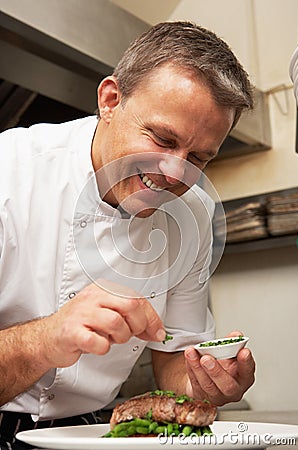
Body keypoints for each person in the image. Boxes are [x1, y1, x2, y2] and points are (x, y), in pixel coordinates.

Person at [0, 21, 255, 449]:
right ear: (111, 100)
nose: (176, 172)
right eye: (162, 138)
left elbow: (175, 360)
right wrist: (46, 340)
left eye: (198, 157)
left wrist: (207, 384)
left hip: (93, 434)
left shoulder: (192, 213)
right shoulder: (9, 171)